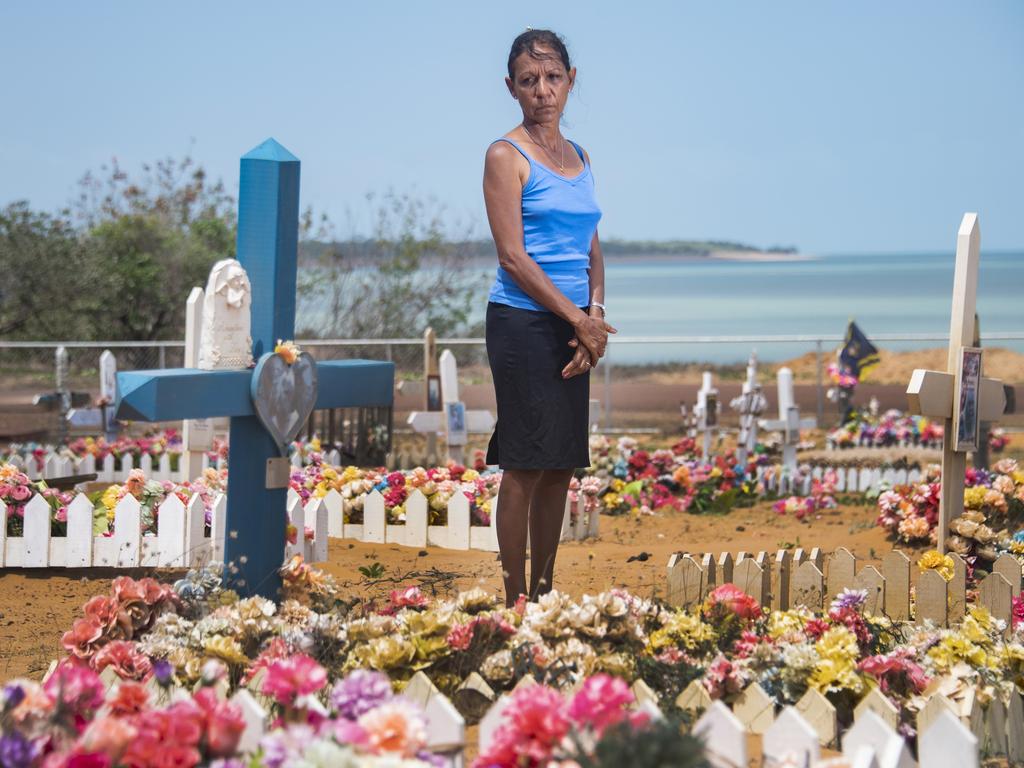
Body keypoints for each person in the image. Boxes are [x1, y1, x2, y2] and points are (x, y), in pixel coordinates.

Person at [483, 29, 615, 606]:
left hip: (572, 324)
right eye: (529, 81)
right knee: (525, 463)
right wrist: (576, 321)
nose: (543, 91)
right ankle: (515, 598)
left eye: (553, 78)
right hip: (521, 325)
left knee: (560, 464)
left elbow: (591, 245)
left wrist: (595, 313)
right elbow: (513, 257)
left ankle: (544, 590)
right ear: (511, 88)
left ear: (571, 81)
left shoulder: (581, 157)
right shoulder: (504, 156)